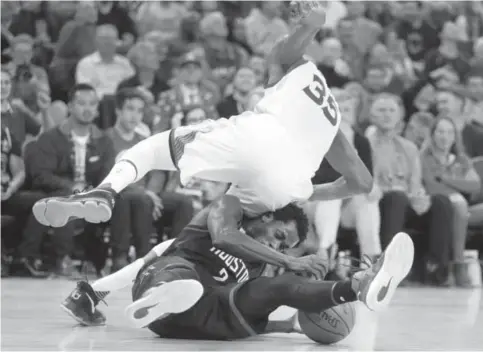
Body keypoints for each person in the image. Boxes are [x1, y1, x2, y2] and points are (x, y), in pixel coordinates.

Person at [32, 1, 373, 227]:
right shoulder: (332, 123)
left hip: (259, 139)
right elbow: (362, 182)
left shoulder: (296, 67)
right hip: (287, 185)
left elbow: (289, 48)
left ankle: (104, 192)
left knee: (150, 150)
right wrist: (308, 192)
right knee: (214, 233)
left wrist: (310, 26)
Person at [61, 195, 414, 337]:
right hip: (170, 299)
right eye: (277, 234)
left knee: (276, 287)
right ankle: (164, 298)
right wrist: (92, 292)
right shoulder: (222, 213)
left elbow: (259, 308)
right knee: (178, 270)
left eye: (282, 245)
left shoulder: (261, 262)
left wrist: (288, 325)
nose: (274, 245)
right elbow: (143, 261)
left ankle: (358, 288)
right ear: (266, 214)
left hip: (216, 317)